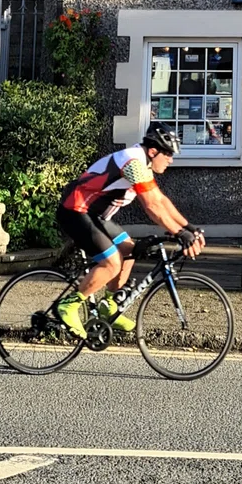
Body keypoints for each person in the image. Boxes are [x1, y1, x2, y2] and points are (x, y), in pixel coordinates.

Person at [54, 122, 205, 338]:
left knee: (129, 251)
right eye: (168, 154)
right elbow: (151, 207)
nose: (171, 160)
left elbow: (160, 200)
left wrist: (188, 228)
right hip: (75, 211)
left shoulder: (143, 164)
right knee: (112, 263)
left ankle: (108, 306)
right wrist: (180, 234)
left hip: (95, 216)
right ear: (153, 151)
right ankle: (68, 305)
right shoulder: (133, 162)